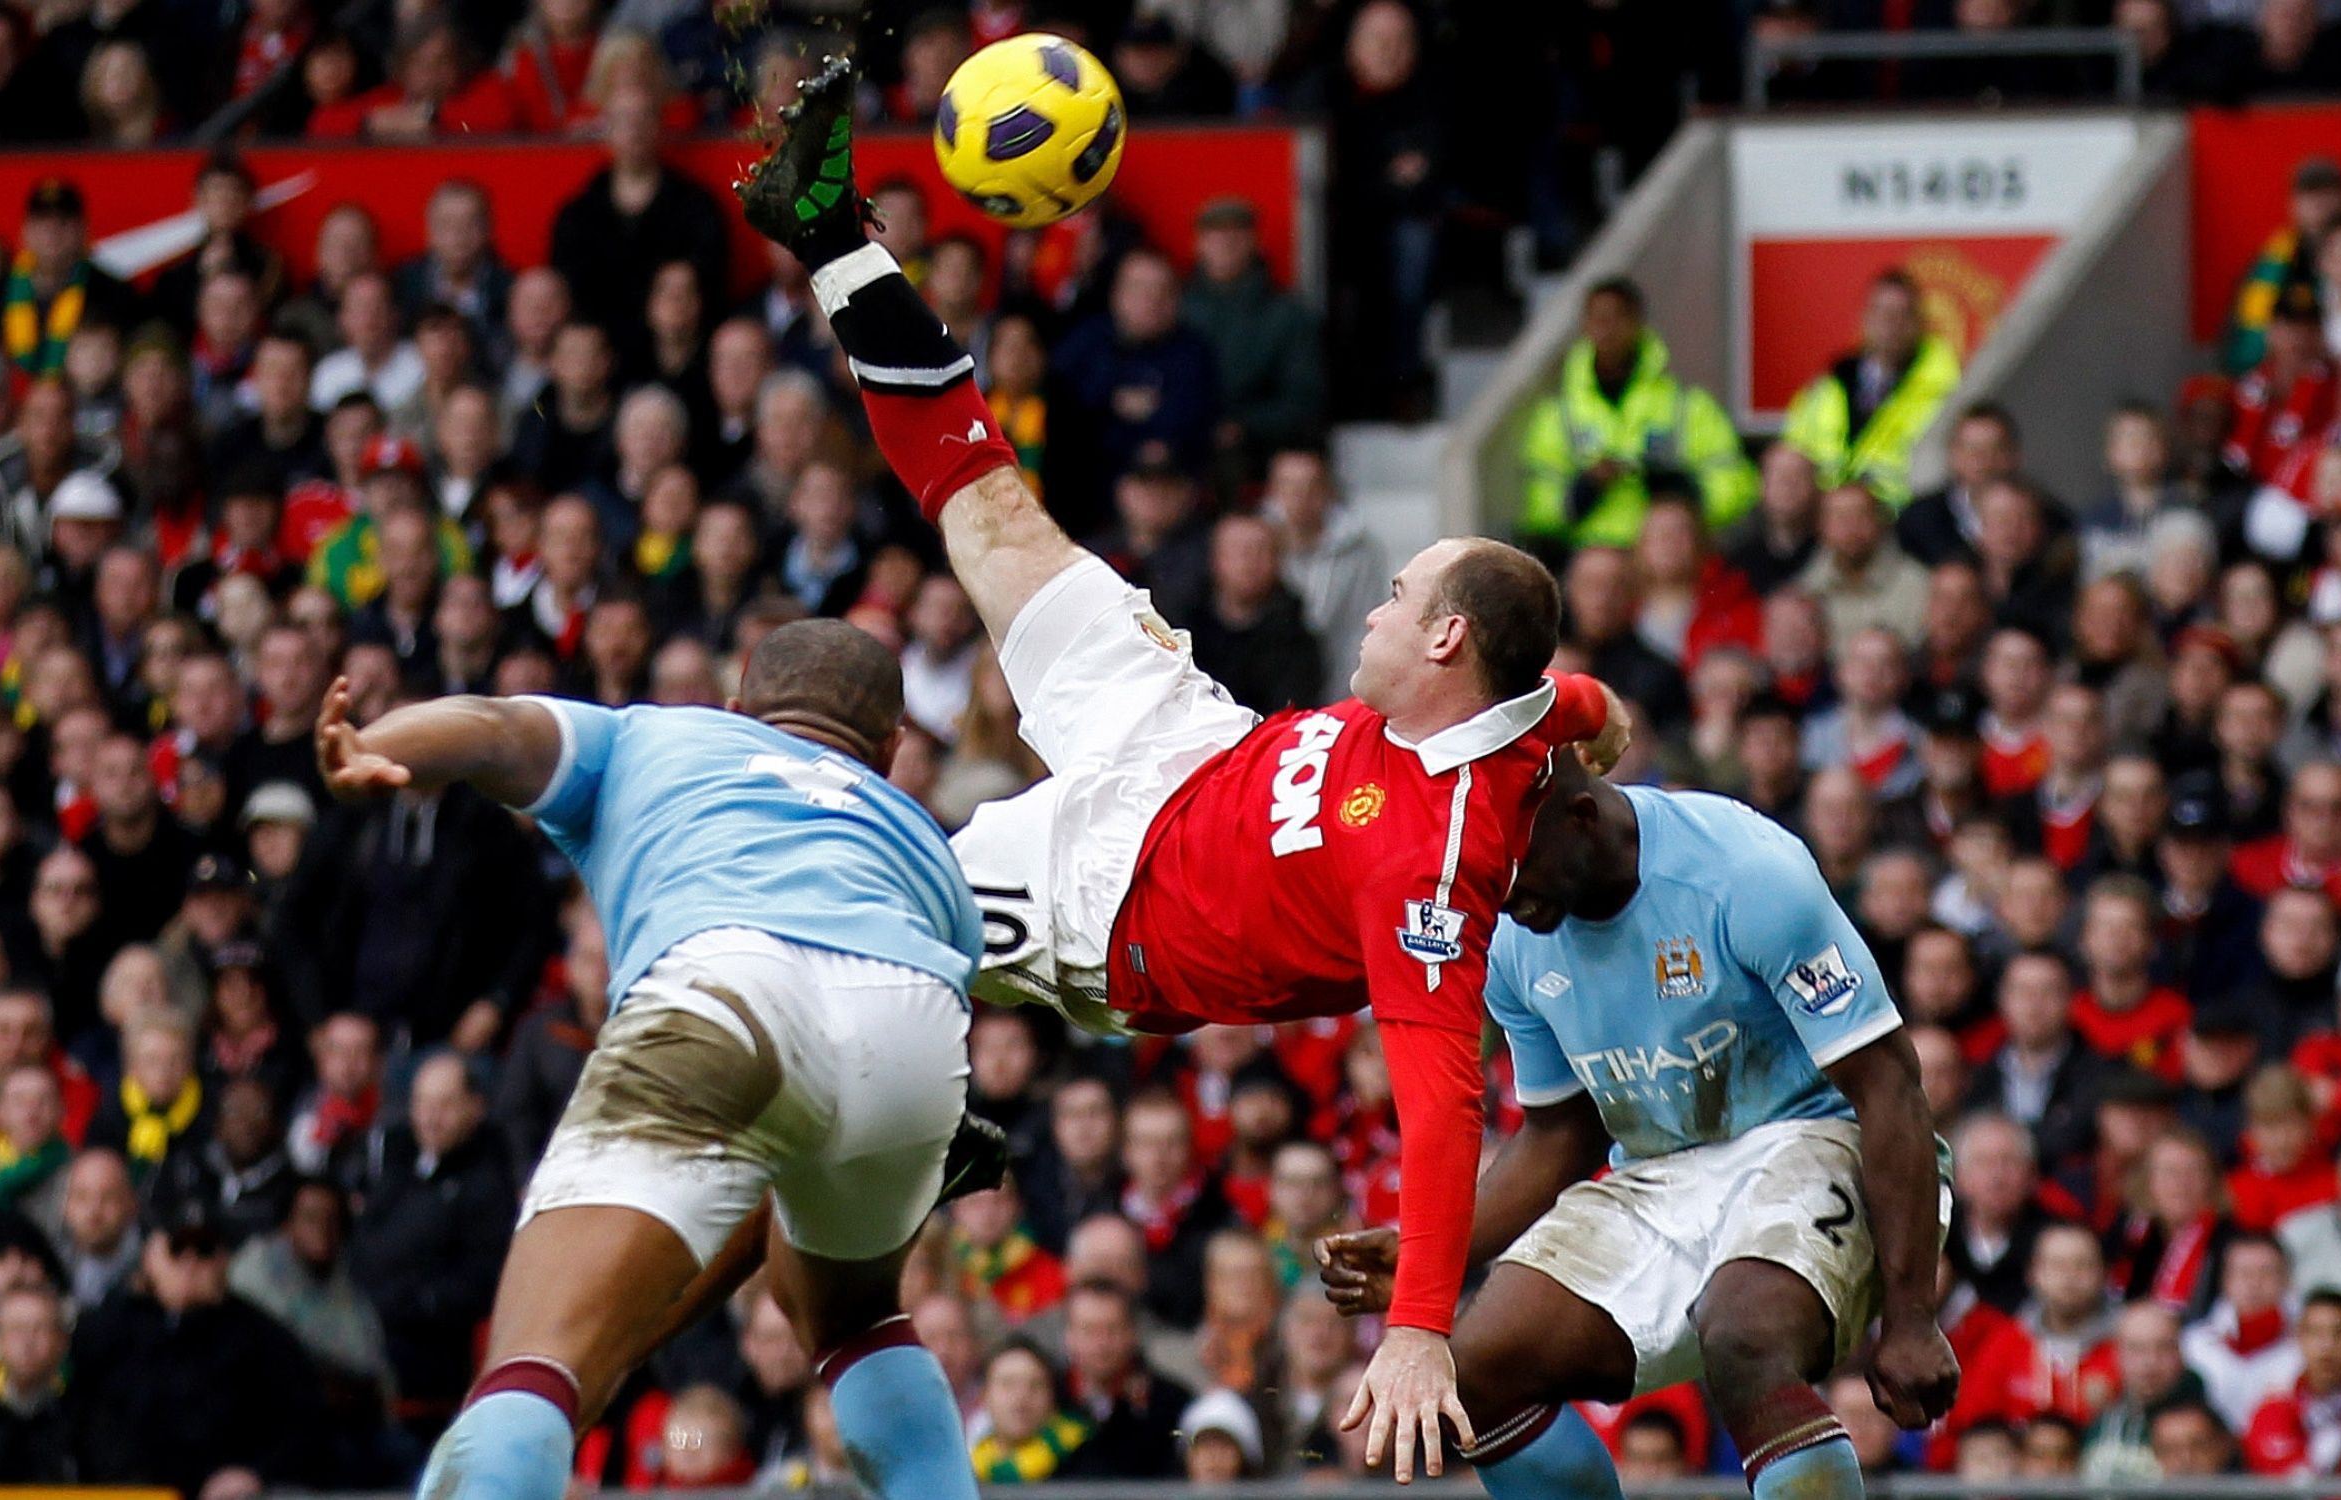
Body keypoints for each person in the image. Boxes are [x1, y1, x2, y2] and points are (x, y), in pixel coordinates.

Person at [735, 58, 1621, 1475]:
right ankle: (834, 230)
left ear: (1443, 637)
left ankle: (905, 1112)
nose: (1376, 605)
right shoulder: (1509, 705)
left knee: (850, 908)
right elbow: (1559, 692)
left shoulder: (1432, 865)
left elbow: (1444, 1100)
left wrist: (1418, 1325)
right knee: (994, 514)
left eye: (1397, 595)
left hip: (1122, 909)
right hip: (1186, 738)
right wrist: (1590, 703)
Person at [314, 618, 987, 1500]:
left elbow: (494, 728)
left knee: (534, 1362)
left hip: (726, 983)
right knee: (855, 1320)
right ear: (892, 749)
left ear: (738, 708)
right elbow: (775, 1198)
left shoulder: (657, 734)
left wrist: (379, 744)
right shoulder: (929, 848)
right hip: (916, 1026)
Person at [1316, 759, 1956, 1500]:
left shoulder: (1744, 871)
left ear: (1581, 820)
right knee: (1474, 1378)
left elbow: (1889, 1090)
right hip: (1659, 1170)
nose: (1505, 900)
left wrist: (1912, 1320)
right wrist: (1436, 1257)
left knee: (1743, 1338)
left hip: (1819, 1136)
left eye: (1514, 875)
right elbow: (1562, 1134)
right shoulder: (1512, 933)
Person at [1520, 278, 1753, 547]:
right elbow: (1538, 506)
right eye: (1598, 319)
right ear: (1585, 326)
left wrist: (1682, 491)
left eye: (1618, 318)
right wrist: (1586, 487)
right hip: (1590, 557)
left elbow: (1735, 484)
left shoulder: (1688, 406)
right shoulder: (1558, 415)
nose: (1607, 330)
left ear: (1638, 324)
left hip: (1669, 552)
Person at [1782, 270, 1962, 510]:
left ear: (1921, 323)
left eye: (1902, 315)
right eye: (1882, 313)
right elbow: (1791, 459)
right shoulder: (1826, 388)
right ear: (1864, 318)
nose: (1891, 324)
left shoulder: (1947, 392)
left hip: (1904, 527)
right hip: (1826, 523)